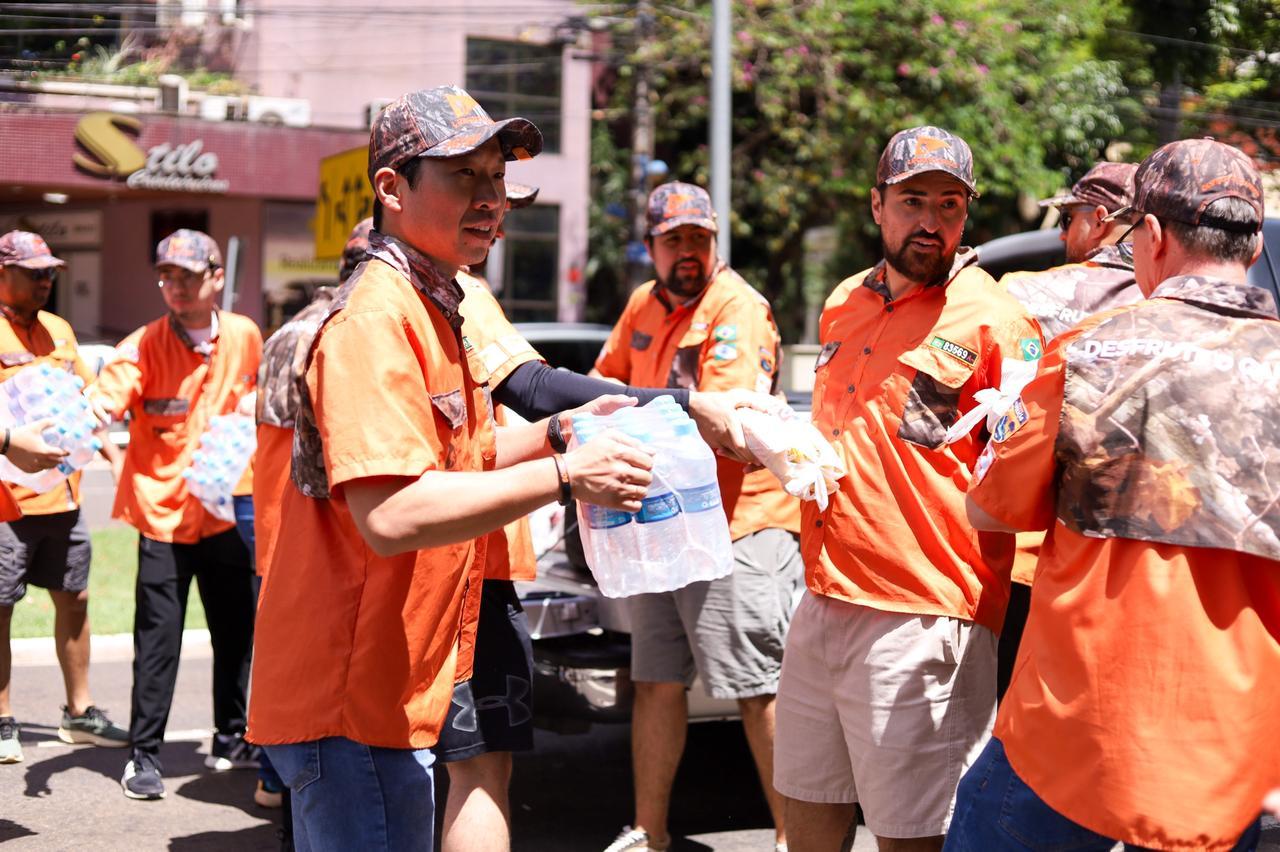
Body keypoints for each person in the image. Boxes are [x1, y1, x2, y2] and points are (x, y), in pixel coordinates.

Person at [247, 85, 654, 852]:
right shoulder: (378, 317)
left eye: (497, 179)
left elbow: (460, 459)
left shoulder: (436, 307)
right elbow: (393, 514)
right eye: (464, 176)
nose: (490, 199)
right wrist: (568, 477)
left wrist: (562, 433)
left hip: (390, 690)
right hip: (349, 699)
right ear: (392, 189)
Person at [947, 138, 1280, 851]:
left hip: (1074, 734)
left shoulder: (1092, 349)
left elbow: (989, 508)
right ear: (1251, 248)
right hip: (1233, 754)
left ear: (1153, 237)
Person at [773, 126, 1042, 852]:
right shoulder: (840, 303)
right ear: (876, 205)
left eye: (949, 205)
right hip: (824, 599)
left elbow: (1028, 462)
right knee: (805, 813)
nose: (931, 221)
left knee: (914, 836)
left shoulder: (999, 320)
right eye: (912, 200)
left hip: (927, 615)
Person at [592, 181, 802, 852]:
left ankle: (794, 837)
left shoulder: (735, 306)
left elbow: (721, 419)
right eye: (674, 239)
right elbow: (601, 389)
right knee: (654, 682)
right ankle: (649, 831)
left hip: (738, 525)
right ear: (651, 246)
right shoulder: (642, 306)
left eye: (699, 239)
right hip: (662, 526)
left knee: (756, 688)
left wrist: (632, 406)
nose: (688, 251)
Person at [87, 229, 263, 800]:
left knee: (236, 632)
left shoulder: (244, 336)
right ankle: (144, 756)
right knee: (157, 639)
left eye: (187, 275)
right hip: (163, 516)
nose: (175, 287)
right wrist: (89, 413)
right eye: (166, 276)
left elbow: (261, 397)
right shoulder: (142, 344)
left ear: (216, 278)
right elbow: (108, 394)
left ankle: (232, 735)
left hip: (226, 509)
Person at [993, 162, 1142, 697]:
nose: (1061, 232)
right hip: (1140, 563)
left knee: (1016, 732)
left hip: (1036, 557)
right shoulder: (1173, 306)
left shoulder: (1019, 293)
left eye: (1071, 217)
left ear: (1100, 219)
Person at [0, 230, 128, 764]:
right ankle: (3, 718)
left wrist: (108, 447)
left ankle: (79, 713)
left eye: (49, 272)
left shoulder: (59, 330)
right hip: (7, 500)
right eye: (34, 272)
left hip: (65, 496)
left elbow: (84, 396)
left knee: (74, 599)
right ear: (3, 273)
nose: (45, 281)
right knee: (0, 608)